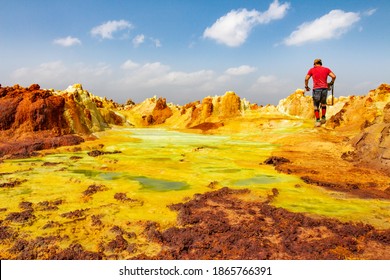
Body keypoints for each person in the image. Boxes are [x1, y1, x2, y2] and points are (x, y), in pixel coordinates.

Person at [305, 59, 336, 126]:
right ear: (321, 63)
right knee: (323, 104)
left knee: (316, 105)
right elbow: (334, 76)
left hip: (316, 89)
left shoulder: (312, 70)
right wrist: (331, 83)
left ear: (314, 64)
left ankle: (318, 121)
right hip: (324, 89)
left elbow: (306, 79)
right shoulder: (326, 69)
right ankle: (323, 118)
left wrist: (306, 86)